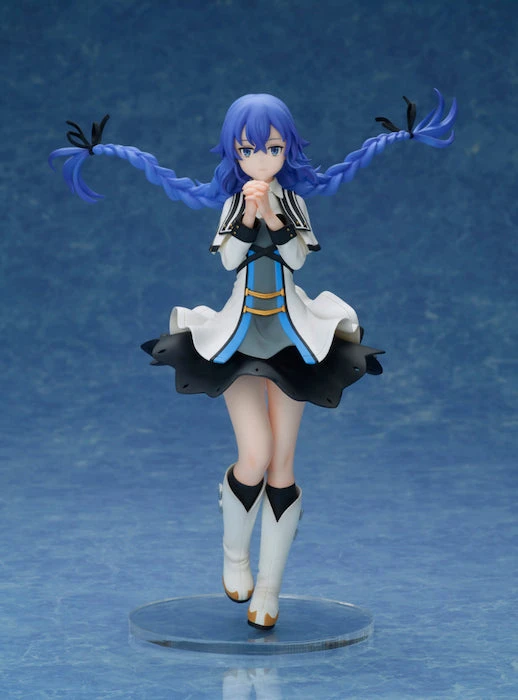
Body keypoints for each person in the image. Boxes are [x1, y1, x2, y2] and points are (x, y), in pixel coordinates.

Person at [50, 90, 456, 629]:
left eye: (272, 148)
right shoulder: (232, 203)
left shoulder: (294, 202)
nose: (260, 159)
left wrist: (273, 214)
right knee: (255, 454)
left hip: (293, 337)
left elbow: (296, 258)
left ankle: (269, 589)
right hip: (239, 338)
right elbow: (229, 261)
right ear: (234, 153)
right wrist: (247, 213)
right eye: (247, 150)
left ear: (288, 150)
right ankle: (235, 555)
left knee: (282, 466)